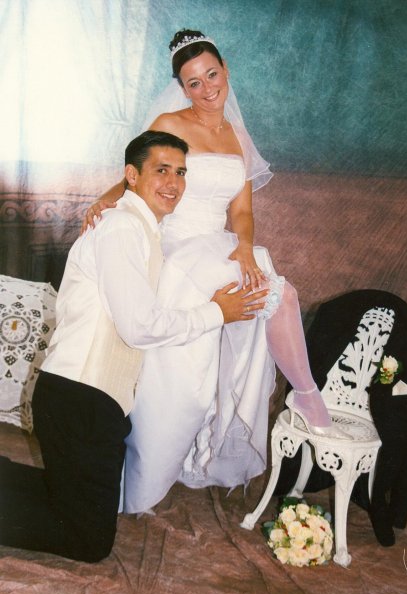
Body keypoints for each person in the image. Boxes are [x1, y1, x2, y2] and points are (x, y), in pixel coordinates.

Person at [84, 30, 351, 516]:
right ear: (181, 88)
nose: (206, 89)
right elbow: (141, 175)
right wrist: (105, 201)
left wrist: (245, 247)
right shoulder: (170, 123)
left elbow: (242, 212)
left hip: (220, 245)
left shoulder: (238, 136)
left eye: (211, 75)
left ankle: (303, 395)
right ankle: (301, 397)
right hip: (179, 248)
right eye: (193, 83)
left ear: (226, 71)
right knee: (194, 378)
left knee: (278, 295)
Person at [0, 130, 266, 563]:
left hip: (87, 400)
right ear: (132, 175)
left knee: (71, 507)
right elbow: (140, 326)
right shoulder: (123, 228)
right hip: (79, 398)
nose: (174, 183)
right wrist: (217, 313)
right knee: (88, 541)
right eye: (161, 170)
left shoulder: (140, 229)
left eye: (181, 172)